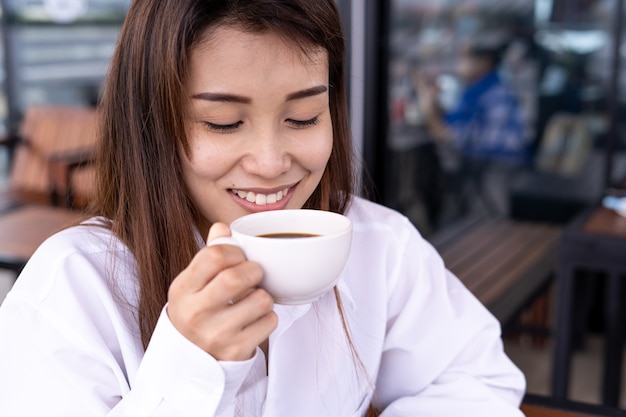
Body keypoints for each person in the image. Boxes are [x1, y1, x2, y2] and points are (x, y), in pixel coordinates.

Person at [0, 1, 526, 415]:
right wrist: (190, 367)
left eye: (302, 117)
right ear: (151, 125)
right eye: (224, 123)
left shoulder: (376, 244)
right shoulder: (76, 283)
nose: (273, 163)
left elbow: (474, 380)